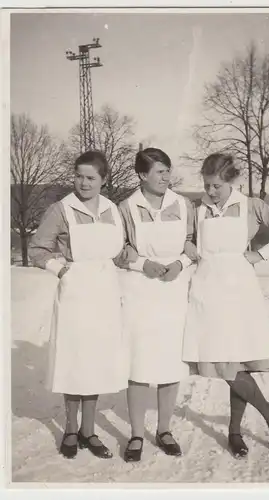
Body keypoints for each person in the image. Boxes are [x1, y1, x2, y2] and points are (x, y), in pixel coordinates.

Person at [182, 153, 269, 459]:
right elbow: (185, 239)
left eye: (217, 186)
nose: (210, 191)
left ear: (232, 181)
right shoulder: (197, 209)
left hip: (238, 293)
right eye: (207, 185)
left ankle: (243, 427)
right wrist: (189, 245)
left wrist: (262, 254)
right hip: (207, 291)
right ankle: (267, 414)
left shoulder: (252, 206)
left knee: (232, 363)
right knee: (224, 364)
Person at [29, 150, 130, 460]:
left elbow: (119, 250)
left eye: (91, 177)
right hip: (76, 294)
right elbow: (37, 249)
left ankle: (90, 430)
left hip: (106, 294)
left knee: (96, 363)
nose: (83, 183)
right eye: (79, 176)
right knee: (76, 363)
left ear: (103, 180)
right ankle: (71, 430)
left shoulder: (113, 209)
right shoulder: (62, 210)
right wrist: (60, 270)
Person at [117, 147, 194, 462]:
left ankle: (164, 430)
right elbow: (118, 249)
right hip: (139, 293)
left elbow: (193, 243)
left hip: (173, 292)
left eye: (167, 171)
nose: (166, 177)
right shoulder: (125, 208)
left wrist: (180, 263)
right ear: (142, 175)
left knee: (169, 364)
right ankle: (136, 434)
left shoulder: (183, 204)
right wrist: (141, 265)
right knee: (138, 366)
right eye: (160, 172)